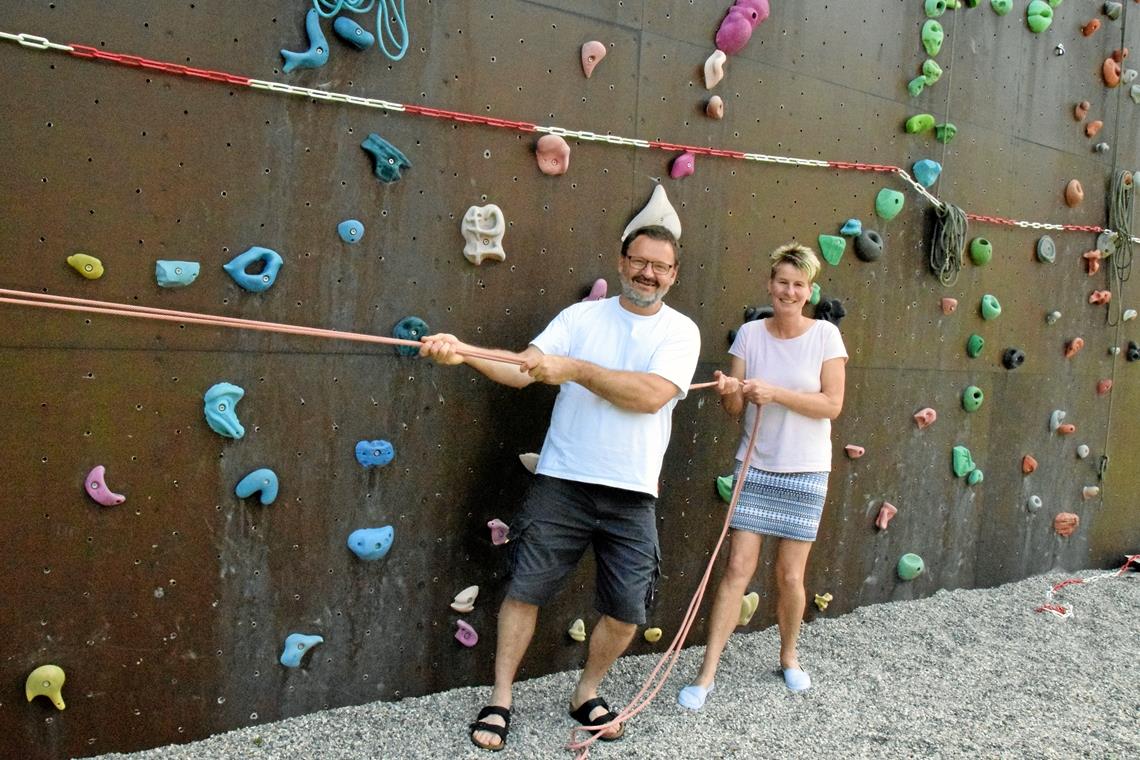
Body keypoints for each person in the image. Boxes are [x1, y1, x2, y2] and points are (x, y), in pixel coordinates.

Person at [419, 225, 701, 751]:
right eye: (639, 261)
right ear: (621, 262)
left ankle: (585, 693)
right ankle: (500, 698)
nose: (648, 273)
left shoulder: (681, 332)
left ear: (673, 274)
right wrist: (463, 351)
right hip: (563, 481)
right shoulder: (580, 318)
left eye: (660, 266)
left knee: (626, 610)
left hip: (633, 491)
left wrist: (571, 368)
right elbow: (523, 370)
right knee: (524, 591)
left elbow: (649, 396)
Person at [677, 242, 846, 710]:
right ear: (770, 284)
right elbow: (734, 409)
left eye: (798, 285)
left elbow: (832, 404)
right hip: (755, 466)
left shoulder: (826, 337)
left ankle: (789, 657)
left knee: (790, 575)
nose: (789, 291)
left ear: (809, 291)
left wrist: (777, 393)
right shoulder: (749, 335)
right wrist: (730, 390)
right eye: (782, 282)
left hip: (807, 468)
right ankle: (707, 672)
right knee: (736, 569)